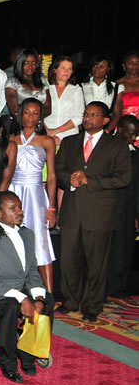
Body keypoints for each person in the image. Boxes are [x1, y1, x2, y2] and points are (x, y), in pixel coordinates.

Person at [56, 101, 131, 321]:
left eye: (93, 115)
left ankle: (92, 306)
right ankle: (70, 301)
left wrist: (91, 180)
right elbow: (57, 169)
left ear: (105, 120)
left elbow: (123, 178)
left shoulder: (116, 145)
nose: (87, 118)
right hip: (71, 211)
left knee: (96, 263)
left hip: (99, 215)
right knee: (68, 260)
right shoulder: (70, 142)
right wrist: (68, 180)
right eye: (86, 114)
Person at [0, 191, 54, 383]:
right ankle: (6, 361)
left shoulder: (27, 234)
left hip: (20, 287)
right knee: (11, 306)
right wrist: (22, 298)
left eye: (20, 207)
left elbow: (32, 271)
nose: (20, 212)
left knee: (48, 300)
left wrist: (38, 298)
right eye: (13, 209)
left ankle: (28, 353)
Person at [9, 98, 57, 291]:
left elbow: (52, 176)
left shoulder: (47, 141)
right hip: (13, 192)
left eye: (35, 113)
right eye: (27, 112)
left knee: (41, 244)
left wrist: (52, 207)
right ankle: (17, 293)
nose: (31, 116)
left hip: (36, 195)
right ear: (20, 114)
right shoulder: (10, 139)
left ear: (40, 117)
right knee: (13, 241)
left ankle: (49, 295)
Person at [107, 115, 139, 301]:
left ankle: (116, 291)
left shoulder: (136, 153)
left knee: (123, 251)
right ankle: (99, 291)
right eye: (131, 134)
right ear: (120, 129)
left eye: (136, 135)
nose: (134, 138)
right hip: (104, 207)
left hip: (127, 209)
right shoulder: (104, 148)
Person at [44, 56, 85, 145]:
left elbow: (79, 117)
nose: (66, 71)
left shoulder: (76, 90)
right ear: (55, 70)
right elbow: (38, 114)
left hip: (69, 136)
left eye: (69, 68)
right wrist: (48, 132)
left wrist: (56, 131)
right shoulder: (45, 89)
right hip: (47, 135)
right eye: (63, 68)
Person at [5, 48, 48, 117]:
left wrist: (38, 121)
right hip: (20, 124)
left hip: (41, 123)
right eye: (26, 62)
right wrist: (29, 122)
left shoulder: (43, 80)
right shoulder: (12, 82)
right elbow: (14, 111)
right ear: (20, 63)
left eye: (33, 63)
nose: (30, 66)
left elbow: (48, 107)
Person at [110, 51, 139, 137]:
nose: (135, 66)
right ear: (123, 65)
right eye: (131, 63)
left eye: (138, 62)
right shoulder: (115, 85)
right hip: (123, 127)